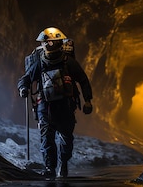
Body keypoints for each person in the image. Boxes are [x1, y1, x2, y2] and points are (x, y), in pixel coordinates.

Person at [17, 27, 93, 178]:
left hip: (65, 106)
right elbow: (25, 78)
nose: (50, 45)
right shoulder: (39, 63)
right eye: (47, 42)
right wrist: (23, 88)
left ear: (59, 42)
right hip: (45, 107)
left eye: (52, 42)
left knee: (66, 138)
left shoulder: (68, 62)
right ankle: (50, 168)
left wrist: (88, 101)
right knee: (47, 138)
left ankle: (63, 164)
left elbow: (83, 81)